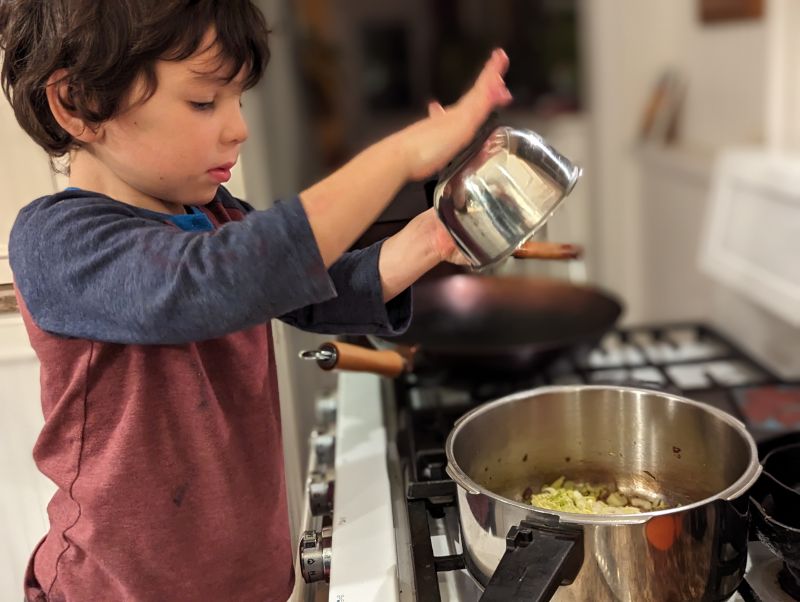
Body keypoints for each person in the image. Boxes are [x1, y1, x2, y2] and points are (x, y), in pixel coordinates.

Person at [0, 1, 512, 600]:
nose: (237, 126)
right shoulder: (58, 240)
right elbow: (208, 282)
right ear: (79, 103)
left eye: (238, 98)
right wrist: (396, 156)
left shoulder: (216, 217)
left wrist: (429, 236)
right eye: (202, 101)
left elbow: (321, 289)